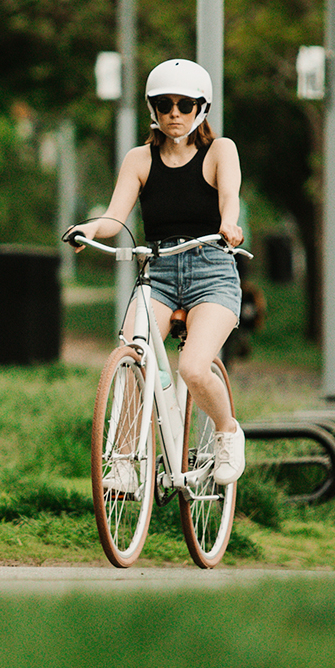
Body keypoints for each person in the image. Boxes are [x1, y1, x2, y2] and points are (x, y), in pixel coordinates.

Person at [66, 58, 248, 487]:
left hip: (212, 271)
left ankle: (227, 432)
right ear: (152, 108)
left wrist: (229, 225)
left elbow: (230, 200)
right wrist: (89, 228)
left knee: (194, 368)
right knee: (132, 354)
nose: (174, 113)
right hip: (159, 273)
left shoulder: (220, 150)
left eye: (185, 105)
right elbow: (114, 218)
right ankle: (126, 462)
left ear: (201, 108)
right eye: (164, 104)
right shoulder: (139, 158)